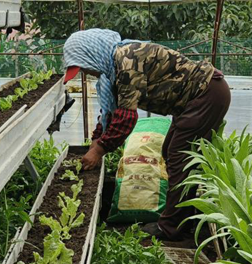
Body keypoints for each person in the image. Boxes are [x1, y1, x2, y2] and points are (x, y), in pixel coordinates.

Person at [63, 29, 231, 241]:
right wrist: (97, 140)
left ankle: (171, 228)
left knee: (179, 159)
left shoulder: (127, 60)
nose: (89, 73)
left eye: (86, 67)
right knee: (174, 155)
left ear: (91, 54)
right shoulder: (114, 68)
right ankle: (183, 218)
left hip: (207, 94)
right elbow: (110, 114)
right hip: (199, 98)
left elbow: (126, 118)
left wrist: (98, 150)